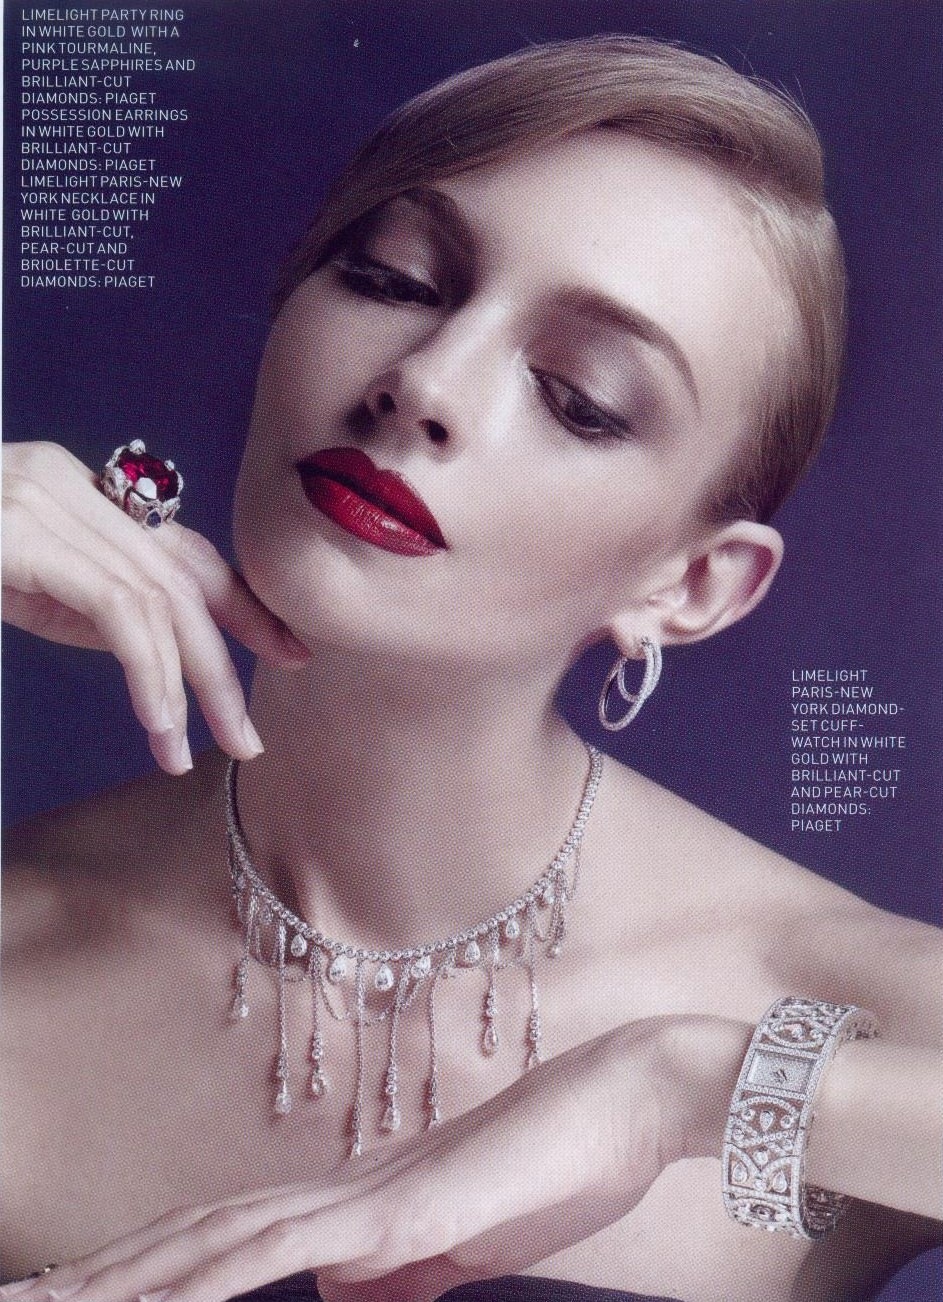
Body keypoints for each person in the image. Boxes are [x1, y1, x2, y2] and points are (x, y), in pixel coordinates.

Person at [1, 34, 939, 1302]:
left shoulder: (841, 1002)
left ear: (691, 586)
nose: (423, 384)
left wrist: (678, 1088)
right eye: (392, 280)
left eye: (579, 396)